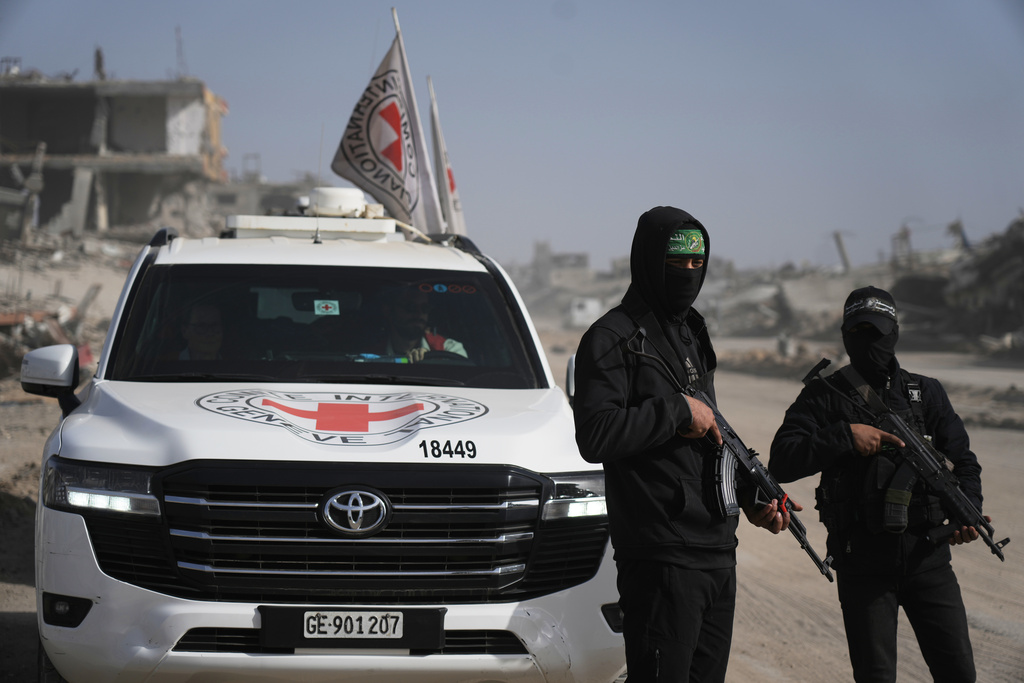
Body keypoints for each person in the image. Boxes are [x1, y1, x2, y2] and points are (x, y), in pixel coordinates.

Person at [573, 206, 795, 683]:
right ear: (650, 260)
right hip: (661, 554)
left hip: (716, 549)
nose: (689, 274)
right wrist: (675, 412)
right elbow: (595, 434)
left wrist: (754, 499)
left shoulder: (692, 331)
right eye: (678, 263)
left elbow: (712, 432)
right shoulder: (610, 338)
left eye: (698, 265)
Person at [768, 286, 988, 682]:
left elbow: (965, 463)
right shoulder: (824, 396)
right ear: (846, 335)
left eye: (878, 332)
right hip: (863, 566)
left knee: (959, 673)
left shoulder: (925, 393)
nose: (869, 341)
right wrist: (844, 437)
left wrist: (966, 510)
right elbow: (782, 460)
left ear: (895, 333)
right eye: (859, 332)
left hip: (928, 559)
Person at [376, 286, 467, 362]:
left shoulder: (449, 349)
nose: (419, 314)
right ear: (387, 310)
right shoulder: (371, 355)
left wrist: (430, 358)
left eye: (425, 308)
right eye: (411, 307)